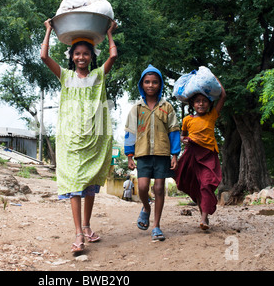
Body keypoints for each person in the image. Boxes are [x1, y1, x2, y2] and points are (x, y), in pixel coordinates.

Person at [41, 18, 118, 253]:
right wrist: (49, 30)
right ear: (71, 57)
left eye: (85, 53)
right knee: (75, 184)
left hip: (93, 138)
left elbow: (113, 56)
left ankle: (86, 226)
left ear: (91, 56)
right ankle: (78, 233)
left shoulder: (97, 76)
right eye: (77, 54)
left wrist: (110, 33)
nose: (81, 57)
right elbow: (44, 57)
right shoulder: (66, 76)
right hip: (71, 139)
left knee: (90, 184)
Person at [124, 64, 181, 241]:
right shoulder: (137, 108)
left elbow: (174, 130)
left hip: (162, 153)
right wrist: (129, 155)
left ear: (160, 84)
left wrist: (174, 154)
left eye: (154, 82)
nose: (150, 85)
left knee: (158, 188)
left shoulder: (167, 107)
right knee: (141, 187)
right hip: (142, 154)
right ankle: (146, 207)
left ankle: (156, 226)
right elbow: (129, 132)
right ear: (142, 84)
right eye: (147, 82)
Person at [174, 75, 226, 230]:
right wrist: (185, 140)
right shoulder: (187, 120)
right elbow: (182, 136)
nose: (201, 104)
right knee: (197, 186)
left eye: (204, 101)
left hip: (208, 155)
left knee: (206, 184)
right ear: (192, 104)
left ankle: (204, 219)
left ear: (209, 103)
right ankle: (203, 215)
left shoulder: (212, 116)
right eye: (197, 101)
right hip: (192, 156)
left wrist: (214, 78)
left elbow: (223, 95)